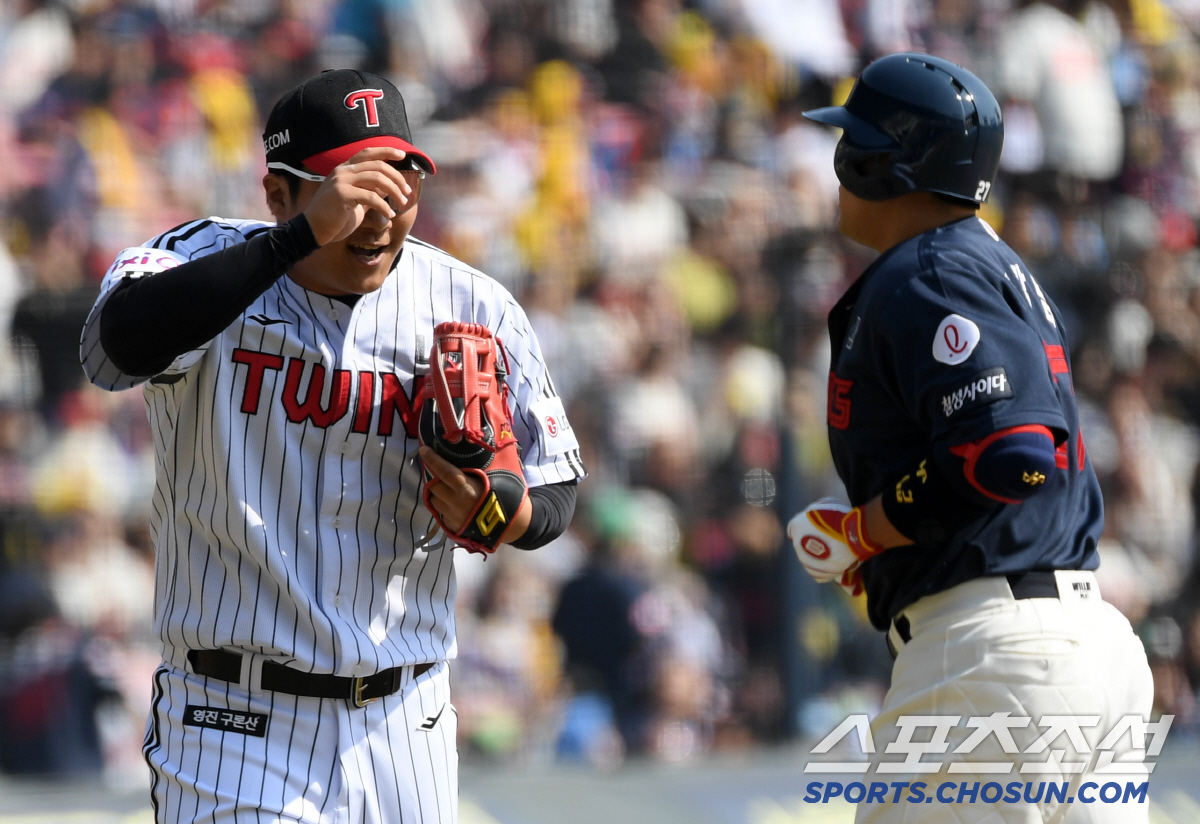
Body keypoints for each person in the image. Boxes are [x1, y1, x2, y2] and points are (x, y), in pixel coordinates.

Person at [80, 68, 585, 824]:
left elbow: (555, 489)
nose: (380, 210)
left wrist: (499, 510)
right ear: (278, 194)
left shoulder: (471, 300)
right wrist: (300, 239)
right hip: (233, 718)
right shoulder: (200, 259)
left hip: (405, 717)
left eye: (402, 178)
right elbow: (117, 346)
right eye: (355, 185)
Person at [787, 53, 1154, 823]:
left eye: (854, 142)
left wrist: (867, 529)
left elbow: (1010, 455)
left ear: (886, 163)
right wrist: (891, 546)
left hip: (997, 655)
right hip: (1079, 645)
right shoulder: (985, 262)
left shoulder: (931, 270)